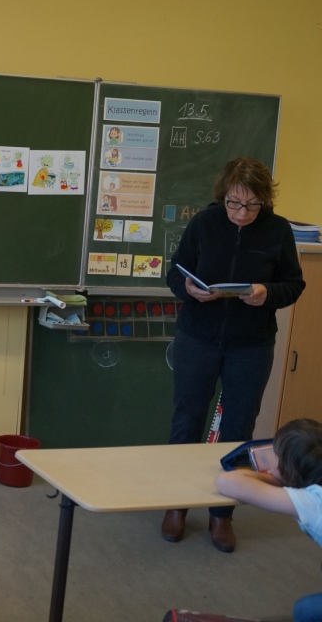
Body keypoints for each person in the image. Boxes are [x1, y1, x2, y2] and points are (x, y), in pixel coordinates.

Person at [162, 157, 305, 552]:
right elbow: (175, 273)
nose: (242, 213)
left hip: (251, 344)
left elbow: (294, 284)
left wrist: (266, 293)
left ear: (264, 200)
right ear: (223, 195)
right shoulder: (203, 224)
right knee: (186, 421)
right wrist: (188, 290)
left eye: (252, 205)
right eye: (234, 203)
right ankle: (176, 505)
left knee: (239, 428)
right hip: (198, 338)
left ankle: (222, 514)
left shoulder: (278, 230)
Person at [215, 418, 322, 621]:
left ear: (290, 471)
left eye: (276, 458)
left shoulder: (311, 503)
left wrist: (278, 480)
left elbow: (226, 481)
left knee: (305, 610)